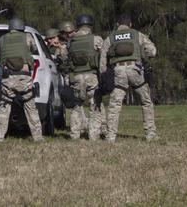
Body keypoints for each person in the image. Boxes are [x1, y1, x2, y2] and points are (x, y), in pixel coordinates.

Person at [100, 14, 158, 142]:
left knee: (115, 105)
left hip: (118, 72)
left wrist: (104, 76)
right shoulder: (137, 34)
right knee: (146, 102)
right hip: (135, 70)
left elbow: (103, 60)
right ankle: (150, 134)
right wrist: (143, 55)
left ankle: (111, 137)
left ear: (117, 24)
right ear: (130, 24)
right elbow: (152, 51)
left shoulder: (110, 38)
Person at [0, 17, 43, 142]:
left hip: (7, 78)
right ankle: (37, 137)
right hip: (23, 78)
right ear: (21, 27)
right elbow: (34, 50)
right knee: (30, 105)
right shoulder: (27, 37)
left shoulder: (1, 39)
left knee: (4, 106)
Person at [65, 13, 105, 140]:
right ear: (90, 25)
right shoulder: (96, 39)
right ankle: (93, 136)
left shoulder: (70, 42)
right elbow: (104, 56)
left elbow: (67, 59)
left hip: (76, 77)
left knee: (77, 106)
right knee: (94, 106)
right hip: (91, 76)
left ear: (78, 26)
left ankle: (74, 134)